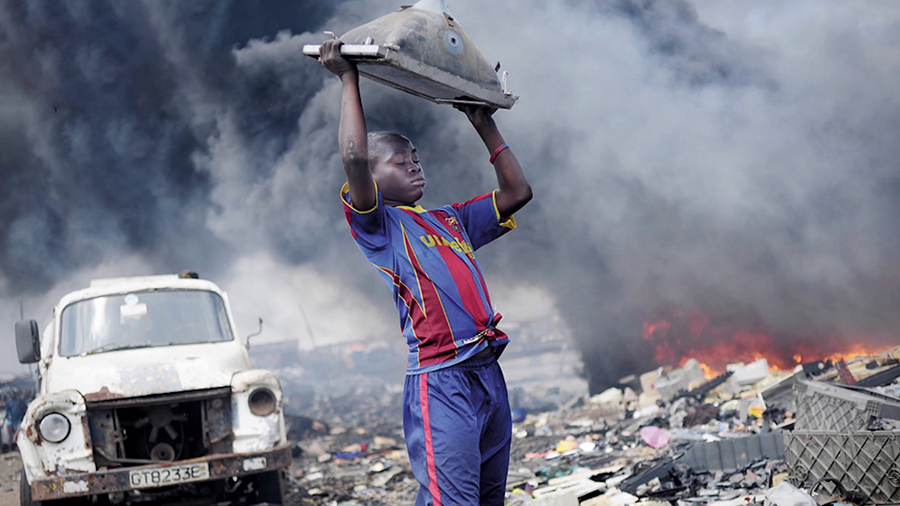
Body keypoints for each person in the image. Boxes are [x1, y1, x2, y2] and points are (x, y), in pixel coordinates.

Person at [319, 39, 533, 505]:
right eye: (400, 161)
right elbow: (354, 156)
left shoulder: (450, 219)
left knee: (487, 498)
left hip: (487, 374)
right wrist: (348, 77)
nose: (415, 165)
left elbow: (517, 192)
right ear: (372, 180)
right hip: (442, 380)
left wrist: (484, 123)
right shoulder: (377, 225)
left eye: (416, 158)